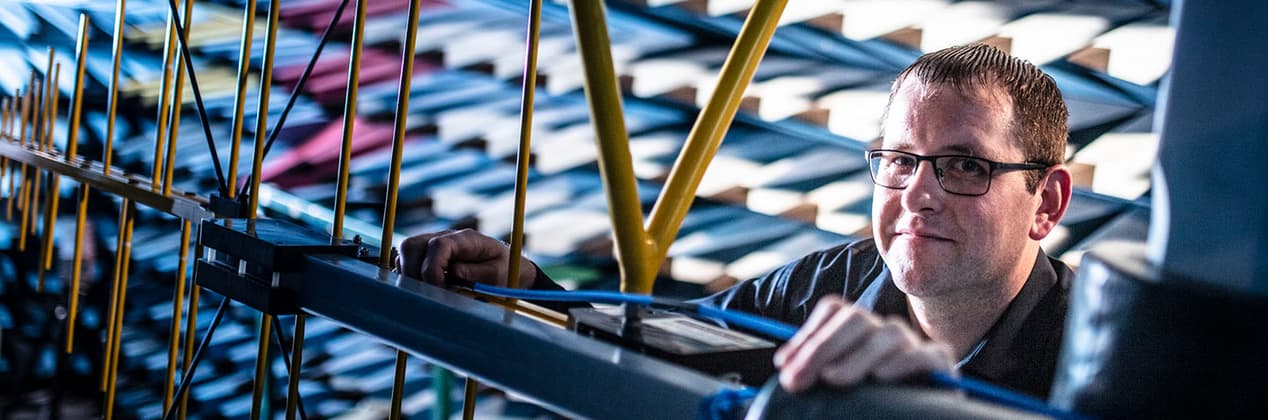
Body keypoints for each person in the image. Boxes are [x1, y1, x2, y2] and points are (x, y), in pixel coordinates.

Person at [397, 43, 1074, 398]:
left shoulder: (1107, 366)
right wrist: (530, 289)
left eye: (965, 166)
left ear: (1045, 204)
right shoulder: (832, 283)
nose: (918, 193)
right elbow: (666, 351)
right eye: (900, 159)